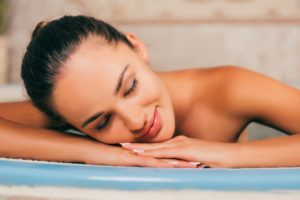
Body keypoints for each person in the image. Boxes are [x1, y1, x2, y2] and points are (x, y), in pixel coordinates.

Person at [1, 15, 300, 168]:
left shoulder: (228, 89)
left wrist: (224, 155)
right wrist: (97, 154)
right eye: (102, 123)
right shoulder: (74, 106)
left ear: (137, 47)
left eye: (130, 87)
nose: (134, 121)